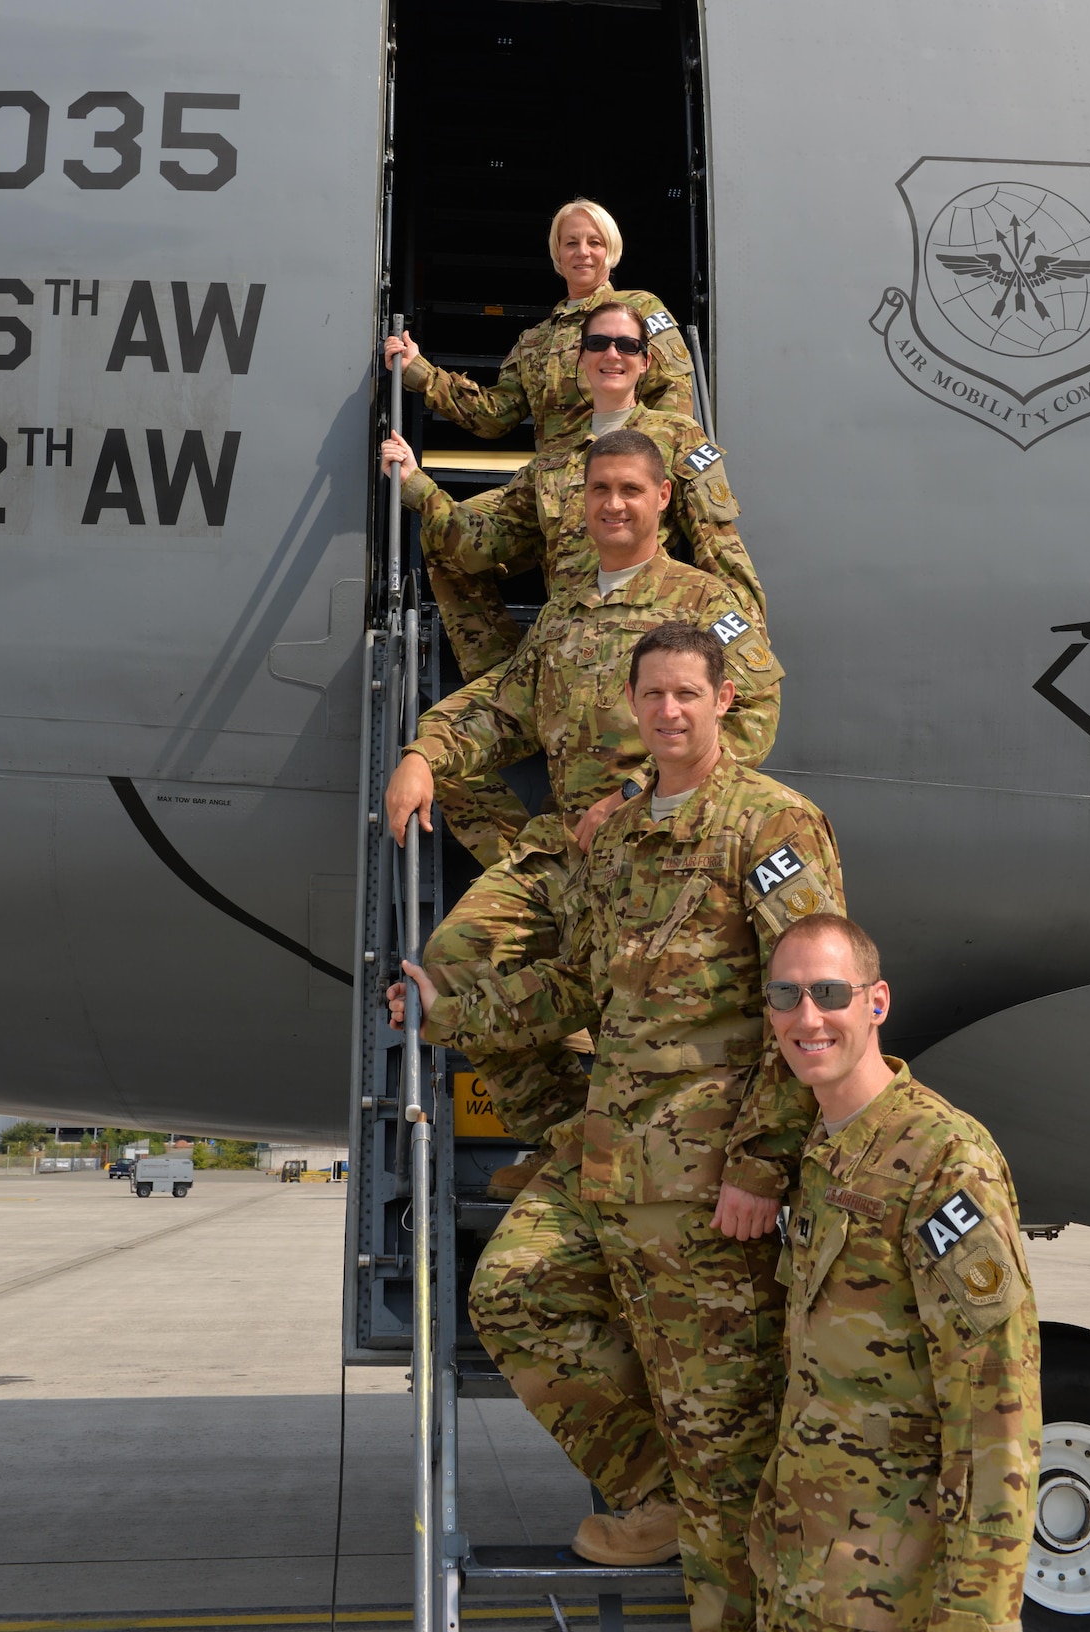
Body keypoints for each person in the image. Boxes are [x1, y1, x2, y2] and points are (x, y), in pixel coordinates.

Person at [388, 621, 843, 1632]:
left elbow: (809, 1011)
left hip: (707, 1186)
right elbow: (578, 985)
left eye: (689, 693)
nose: (671, 711)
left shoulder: (771, 828)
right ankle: (650, 1484)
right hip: (610, 1157)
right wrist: (450, 1007)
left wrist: (762, 1169)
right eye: (655, 696)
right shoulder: (623, 835)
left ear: (724, 701)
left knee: (727, 1463)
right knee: (513, 1292)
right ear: (633, 708)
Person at [384, 429, 783, 1184]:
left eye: (631, 489)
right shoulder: (567, 607)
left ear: (663, 498)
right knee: (456, 966)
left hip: (663, 853)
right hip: (566, 847)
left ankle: (612, 1160)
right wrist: (423, 753)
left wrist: (639, 797)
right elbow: (507, 705)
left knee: (625, 1008)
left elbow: (753, 718)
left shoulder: (705, 602)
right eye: (599, 490)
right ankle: (566, 1146)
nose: (613, 504)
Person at [381, 300, 765, 864]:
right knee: (434, 746)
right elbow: (478, 544)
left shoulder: (676, 438)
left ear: (645, 360)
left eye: (627, 346)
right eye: (598, 346)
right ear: (579, 360)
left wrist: (738, 637)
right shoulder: (554, 465)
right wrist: (419, 486)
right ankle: (545, 873)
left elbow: (718, 543)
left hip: (646, 639)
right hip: (562, 644)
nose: (612, 355)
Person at [749, 914, 1041, 1632]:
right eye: (785, 996)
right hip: (805, 1575)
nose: (806, 1017)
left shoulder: (942, 1162)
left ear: (875, 1003)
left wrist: (978, 1615)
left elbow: (996, 1405)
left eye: (827, 992)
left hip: (896, 1591)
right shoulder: (823, 1152)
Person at [383, 199, 695, 682]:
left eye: (593, 242)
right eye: (571, 242)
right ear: (557, 254)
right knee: (446, 536)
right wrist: (422, 373)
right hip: (543, 491)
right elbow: (494, 416)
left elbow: (675, 396)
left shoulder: (639, 312)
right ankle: (507, 682)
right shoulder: (535, 341)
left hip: (612, 490)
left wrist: (648, 480)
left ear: (611, 251)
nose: (582, 252)